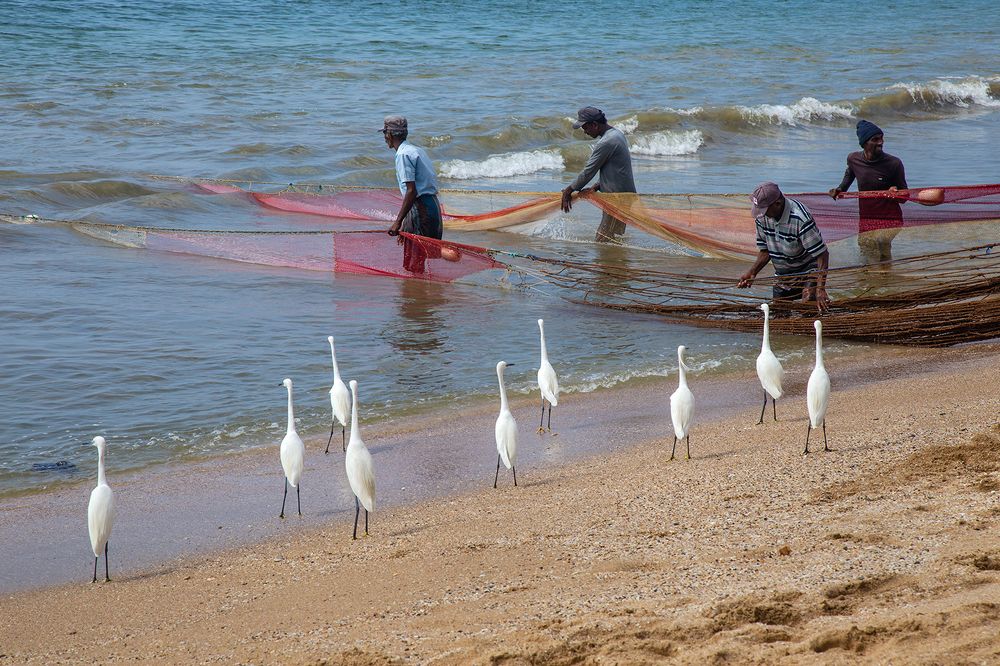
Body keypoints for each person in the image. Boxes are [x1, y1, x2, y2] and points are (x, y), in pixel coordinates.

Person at [738, 182, 831, 312]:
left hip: (808, 272)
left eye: (764, 210)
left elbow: (822, 254)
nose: (762, 214)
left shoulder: (800, 219)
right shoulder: (762, 217)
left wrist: (820, 289)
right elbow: (765, 250)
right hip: (783, 275)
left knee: (808, 306)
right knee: (779, 312)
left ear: (777, 203)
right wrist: (752, 272)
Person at [828, 120, 908, 263]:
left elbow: (905, 196)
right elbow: (849, 175)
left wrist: (895, 193)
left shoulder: (894, 163)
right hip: (866, 217)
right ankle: (872, 276)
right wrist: (840, 189)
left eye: (881, 138)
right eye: (875, 139)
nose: (880, 142)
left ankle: (884, 275)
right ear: (864, 143)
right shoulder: (853, 159)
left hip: (890, 218)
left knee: (882, 248)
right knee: (865, 248)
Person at [560, 106, 636, 243]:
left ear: (594, 125)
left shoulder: (606, 142)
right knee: (614, 239)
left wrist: (568, 191)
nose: (585, 132)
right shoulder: (617, 134)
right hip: (623, 196)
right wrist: (596, 187)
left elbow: (588, 172)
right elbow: (617, 169)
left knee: (603, 240)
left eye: (585, 128)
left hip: (617, 198)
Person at [382, 115, 443, 273]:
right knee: (418, 260)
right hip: (430, 206)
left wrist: (397, 222)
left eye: (384, 133)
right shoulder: (416, 150)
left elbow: (411, 191)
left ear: (390, 134)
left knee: (414, 263)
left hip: (421, 210)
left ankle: (418, 290)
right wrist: (405, 223)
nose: (384, 137)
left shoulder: (403, 155)